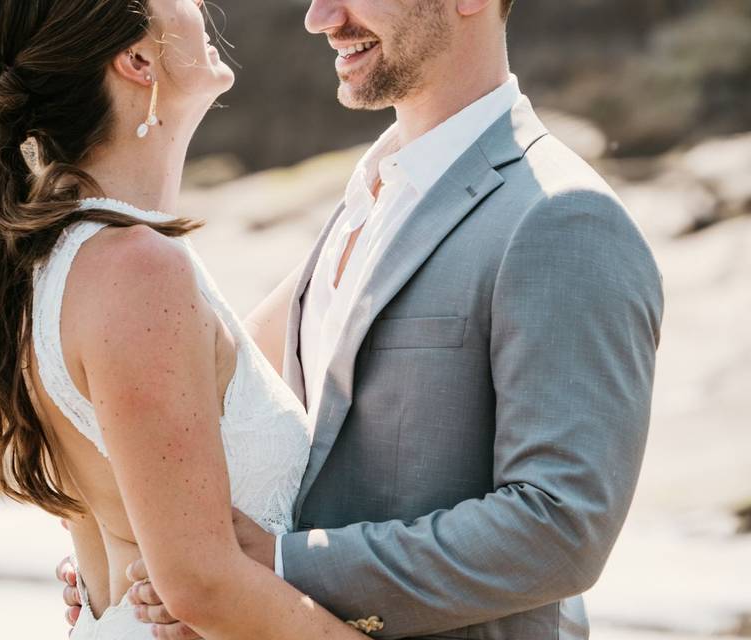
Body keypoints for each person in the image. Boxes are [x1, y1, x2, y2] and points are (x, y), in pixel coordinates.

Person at [61, 0, 665, 638]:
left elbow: (560, 526)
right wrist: (131, 556)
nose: (321, 17)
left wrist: (282, 566)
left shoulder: (563, 219)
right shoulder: (365, 198)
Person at [0, 0, 374, 638]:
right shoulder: (133, 268)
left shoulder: (62, 251)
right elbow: (201, 587)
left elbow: (246, 369)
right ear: (136, 60)